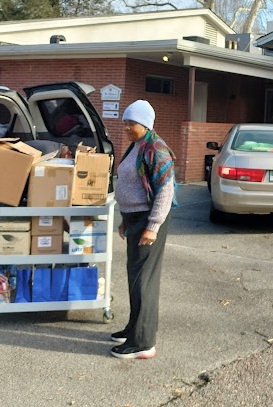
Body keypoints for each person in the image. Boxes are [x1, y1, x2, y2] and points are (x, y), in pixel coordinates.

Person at [110, 100, 176, 359]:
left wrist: (153, 226)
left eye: (131, 123)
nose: (126, 127)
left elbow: (165, 191)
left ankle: (143, 342)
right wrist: (125, 219)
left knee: (143, 280)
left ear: (146, 124)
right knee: (135, 277)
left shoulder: (156, 149)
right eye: (125, 122)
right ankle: (134, 328)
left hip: (148, 221)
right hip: (135, 219)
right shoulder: (138, 145)